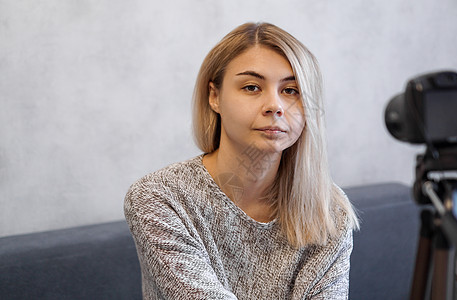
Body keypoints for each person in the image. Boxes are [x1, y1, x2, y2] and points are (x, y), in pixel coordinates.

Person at [124, 22, 359, 300]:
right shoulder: (159, 198)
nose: (275, 106)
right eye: (251, 87)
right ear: (214, 97)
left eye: (291, 91)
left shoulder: (328, 211)